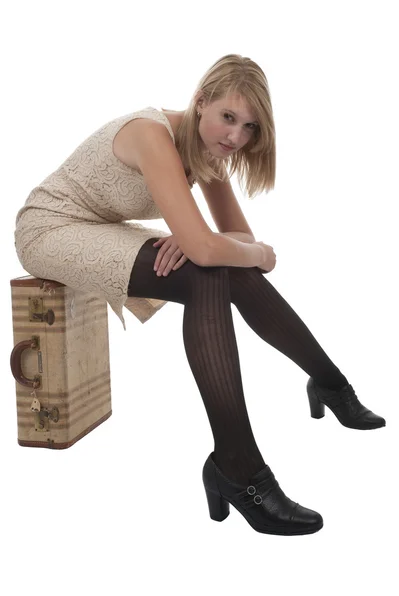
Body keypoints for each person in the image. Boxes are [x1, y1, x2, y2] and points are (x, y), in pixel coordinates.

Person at [14, 54, 385, 536]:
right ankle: (240, 465)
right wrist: (249, 253)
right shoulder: (151, 134)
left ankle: (329, 386)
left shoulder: (208, 151)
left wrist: (216, 245)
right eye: (228, 118)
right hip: (48, 228)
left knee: (220, 267)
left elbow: (234, 235)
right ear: (201, 101)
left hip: (99, 227)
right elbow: (230, 248)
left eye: (249, 127)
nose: (235, 137)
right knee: (209, 271)